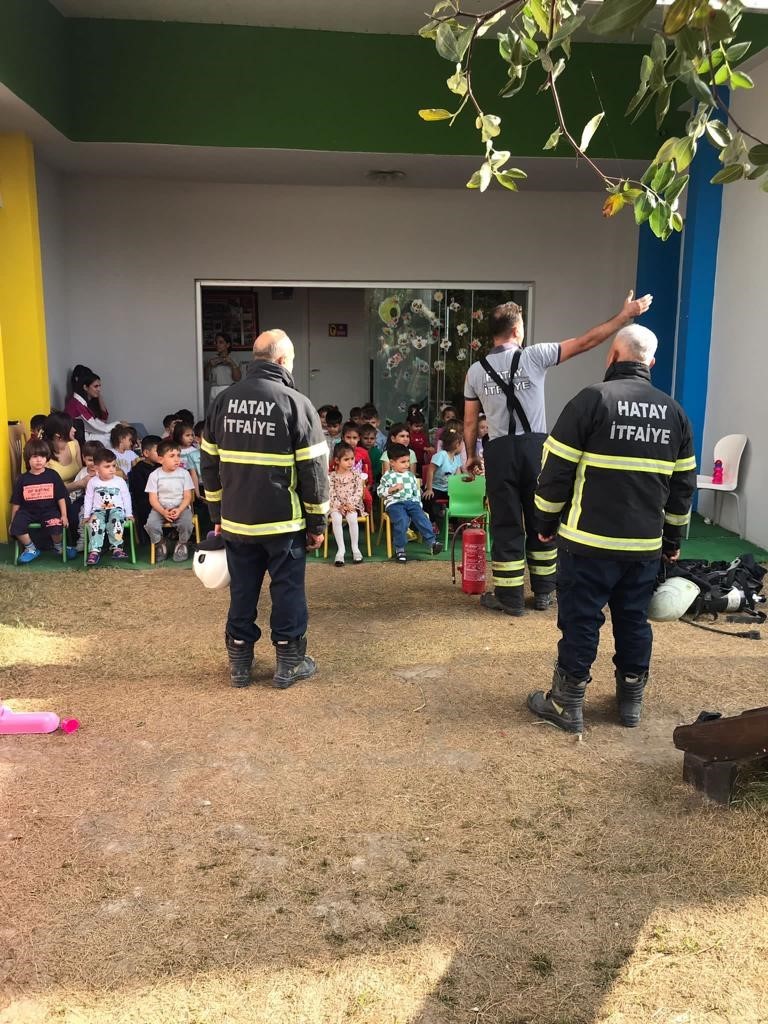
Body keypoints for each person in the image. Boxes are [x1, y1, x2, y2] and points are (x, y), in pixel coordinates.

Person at [526, 325, 696, 735]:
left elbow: (556, 471)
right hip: (643, 547)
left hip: (588, 543)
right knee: (634, 620)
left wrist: (545, 522)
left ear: (611, 357)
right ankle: (630, 702)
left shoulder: (592, 400)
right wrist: (671, 542)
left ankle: (567, 703)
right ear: (650, 363)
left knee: (582, 620)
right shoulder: (675, 412)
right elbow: (683, 488)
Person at [463, 291, 653, 617]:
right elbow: (585, 342)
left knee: (506, 524)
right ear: (517, 330)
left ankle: (509, 598)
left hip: (499, 452)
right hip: (537, 449)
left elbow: (469, 422)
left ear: (493, 332)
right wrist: (624, 317)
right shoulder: (536, 355)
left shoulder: (476, 371)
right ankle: (543, 592)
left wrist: (471, 456)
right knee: (542, 518)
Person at [201, 328, 329, 689]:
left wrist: (217, 518)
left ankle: (240, 664)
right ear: (283, 360)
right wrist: (316, 524)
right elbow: (314, 470)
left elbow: (208, 465)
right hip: (283, 523)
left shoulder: (223, 402)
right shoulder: (296, 403)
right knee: (287, 590)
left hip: (237, 522)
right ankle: (289, 663)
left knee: (242, 589)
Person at [10, 439, 76, 563]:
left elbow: (61, 497)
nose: (39, 460)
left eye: (42, 456)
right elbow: (16, 502)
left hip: (49, 511)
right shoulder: (23, 479)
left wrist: (64, 515)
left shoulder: (52, 475)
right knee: (16, 527)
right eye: (35, 456)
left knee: (56, 525)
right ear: (28, 459)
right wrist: (12, 520)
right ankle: (31, 549)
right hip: (28, 512)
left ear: (47, 458)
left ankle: (59, 547)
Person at [377, 443, 442, 564]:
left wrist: (418, 505)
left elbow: (416, 493)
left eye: (408, 461)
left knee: (421, 517)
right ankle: (400, 549)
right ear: (392, 462)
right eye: (403, 462)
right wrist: (391, 490)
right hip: (395, 503)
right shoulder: (388, 476)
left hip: (412, 503)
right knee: (402, 520)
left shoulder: (411, 476)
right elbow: (380, 492)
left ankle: (432, 542)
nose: (407, 464)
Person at [144, 440, 195, 562]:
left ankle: (182, 543)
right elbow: (153, 498)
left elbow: (188, 496)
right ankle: (160, 543)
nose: (177, 459)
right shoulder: (154, 475)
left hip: (181, 507)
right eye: (172, 456)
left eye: (178, 455)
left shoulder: (184, 474)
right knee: (151, 525)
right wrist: (162, 511)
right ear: (161, 459)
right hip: (160, 508)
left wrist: (180, 509)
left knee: (187, 523)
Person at [83, 449, 134, 565]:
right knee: (95, 523)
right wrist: (86, 515)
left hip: (116, 509)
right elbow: (88, 498)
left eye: (114, 465)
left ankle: (117, 548)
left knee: (116, 521)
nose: (112, 469)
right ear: (96, 468)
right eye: (107, 466)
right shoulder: (92, 482)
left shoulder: (120, 481)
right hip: (98, 510)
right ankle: (94, 551)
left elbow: (126, 498)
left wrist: (129, 514)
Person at [64, 367, 123, 444]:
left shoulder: (82, 402)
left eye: (99, 386)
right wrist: (119, 423)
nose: (99, 389)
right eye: (96, 386)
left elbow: (101, 419)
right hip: (81, 438)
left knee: (120, 434)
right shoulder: (76, 404)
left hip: (89, 433)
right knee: (116, 437)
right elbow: (96, 428)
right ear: (85, 387)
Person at [328, 442, 365, 566]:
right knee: (336, 518)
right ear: (337, 460)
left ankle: (355, 548)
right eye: (346, 459)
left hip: (352, 505)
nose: (350, 462)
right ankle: (341, 550)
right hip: (336, 505)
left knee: (352, 517)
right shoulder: (332, 476)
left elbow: (359, 491)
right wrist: (339, 505)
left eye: (352, 459)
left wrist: (350, 504)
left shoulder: (356, 475)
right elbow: (331, 492)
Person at [422, 423, 464, 531]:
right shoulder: (441, 455)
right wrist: (429, 489)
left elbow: (458, 475)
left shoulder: (457, 457)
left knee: (456, 500)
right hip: (435, 487)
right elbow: (430, 471)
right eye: (462, 443)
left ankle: (452, 523)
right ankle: (432, 522)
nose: (463, 446)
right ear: (457, 444)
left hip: (448, 489)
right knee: (427, 498)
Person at [70, 440, 103, 551]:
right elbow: (76, 491)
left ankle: (97, 542)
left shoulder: (104, 471)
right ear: (84, 458)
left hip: (102, 500)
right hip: (86, 500)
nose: (93, 463)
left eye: (96, 460)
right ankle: (82, 540)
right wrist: (71, 500)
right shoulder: (83, 472)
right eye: (90, 460)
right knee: (80, 516)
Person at [128, 435, 162, 544]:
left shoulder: (161, 467)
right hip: (146, 502)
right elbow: (140, 492)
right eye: (158, 451)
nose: (162, 454)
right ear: (146, 453)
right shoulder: (138, 470)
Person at [339, 421, 373, 516]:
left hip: (359, 484)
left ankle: (365, 515)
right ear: (343, 437)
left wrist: (369, 483)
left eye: (354, 438)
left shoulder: (363, 452)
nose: (351, 441)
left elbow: (368, 468)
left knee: (368, 498)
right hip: (341, 484)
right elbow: (333, 467)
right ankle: (341, 514)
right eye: (348, 437)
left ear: (359, 438)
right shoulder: (339, 451)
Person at [44, 413, 83, 493]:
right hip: (57, 499)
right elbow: (49, 490)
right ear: (58, 435)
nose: (74, 430)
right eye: (70, 427)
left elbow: (81, 472)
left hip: (78, 494)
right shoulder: (44, 453)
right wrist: (79, 484)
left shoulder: (74, 444)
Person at [206, 332, 242, 405]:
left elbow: (237, 378)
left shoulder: (234, 359)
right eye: (216, 342)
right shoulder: (211, 359)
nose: (217, 345)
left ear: (228, 345)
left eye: (221, 342)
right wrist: (209, 365)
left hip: (229, 389)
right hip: (215, 389)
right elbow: (206, 378)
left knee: (227, 414)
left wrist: (231, 363)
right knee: (214, 414)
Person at [172, 421, 201, 497]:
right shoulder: (174, 451)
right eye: (187, 435)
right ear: (178, 436)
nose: (191, 438)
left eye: (192, 435)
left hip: (196, 483)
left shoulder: (195, 451)